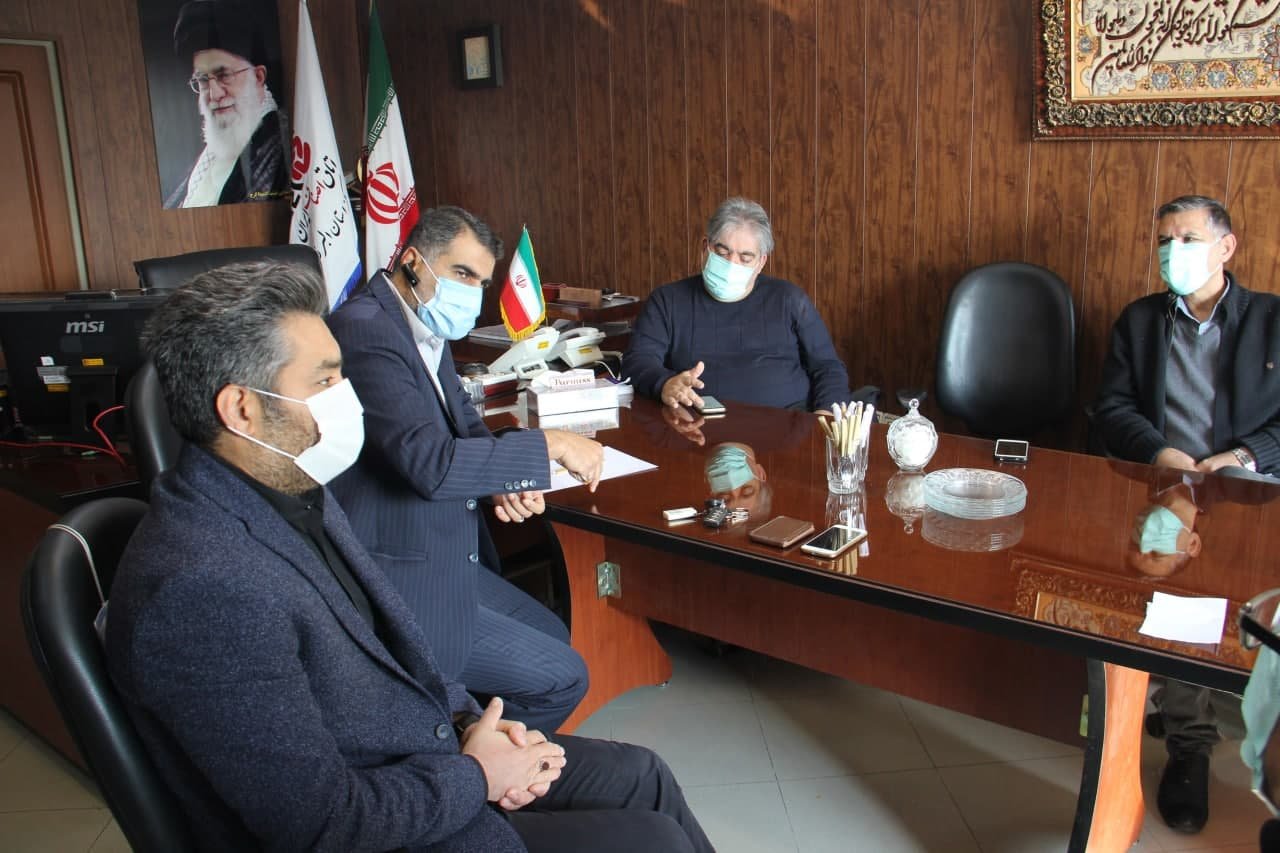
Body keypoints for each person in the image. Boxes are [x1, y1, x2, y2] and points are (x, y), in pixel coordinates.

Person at [105, 262, 714, 852]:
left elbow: (392, 650)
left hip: (429, 751)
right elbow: (318, 825)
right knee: (653, 841)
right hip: (395, 820)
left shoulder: (294, 485)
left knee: (643, 774)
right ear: (242, 408)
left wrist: (474, 724)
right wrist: (477, 776)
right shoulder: (204, 587)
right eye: (324, 382)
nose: (348, 398)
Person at [327, 206, 600, 733]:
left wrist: (504, 484)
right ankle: (467, 764)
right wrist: (548, 445)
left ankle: (466, 731)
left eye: (480, 281)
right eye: (461, 273)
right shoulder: (365, 331)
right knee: (564, 677)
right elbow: (429, 462)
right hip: (396, 572)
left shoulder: (418, 324)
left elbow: (464, 425)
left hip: (445, 551)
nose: (472, 292)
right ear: (413, 261)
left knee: (552, 633)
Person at [1094, 194, 1280, 833]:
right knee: (1172, 600)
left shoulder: (1272, 320)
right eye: (1165, 241)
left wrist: (1239, 456)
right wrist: (1162, 453)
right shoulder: (1141, 321)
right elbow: (1113, 408)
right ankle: (1188, 742)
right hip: (1163, 485)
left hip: (1249, 492)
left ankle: (1210, 737)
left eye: (1189, 240)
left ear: (1226, 247)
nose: (1173, 253)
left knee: (1229, 609)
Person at [623, 196, 858, 412]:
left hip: (787, 426)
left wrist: (825, 416)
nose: (731, 264)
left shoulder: (789, 299)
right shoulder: (667, 301)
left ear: (761, 262)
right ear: (705, 247)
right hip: (696, 427)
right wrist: (664, 383)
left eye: (745, 258)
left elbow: (828, 367)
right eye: (722, 252)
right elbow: (638, 362)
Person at [165, 0, 289, 208]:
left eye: (224, 75)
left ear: (258, 77)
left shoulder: (285, 147)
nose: (214, 94)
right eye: (203, 80)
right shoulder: (204, 164)